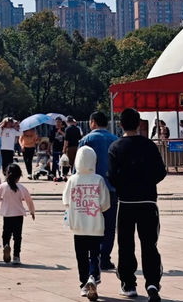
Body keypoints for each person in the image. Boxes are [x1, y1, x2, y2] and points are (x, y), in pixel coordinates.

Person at [108, 107, 166, 301]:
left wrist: (125, 185)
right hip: (148, 201)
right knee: (150, 244)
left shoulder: (115, 147)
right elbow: (161, 172)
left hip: (125, 202)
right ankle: (152, 283)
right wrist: (147, 183)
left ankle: (128, 283)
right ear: (139, 123)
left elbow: (112, 176)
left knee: (125, 244)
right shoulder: (149, 146)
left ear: (121, 124)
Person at [63, 145, 110, 300]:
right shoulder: (98, 180)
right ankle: (93, 277)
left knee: (80, 256)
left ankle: (84, 283)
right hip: (95, 226)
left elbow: (66, 201)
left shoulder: (73, 180)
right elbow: (105, 204)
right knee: (95, 254)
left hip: (78, 227)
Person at [79, 111, 118, 271]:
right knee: (109, 225)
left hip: (90, 189)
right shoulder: (115, 140)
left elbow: (79, 166)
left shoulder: (86, 140)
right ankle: (105, 257)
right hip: (111, 188)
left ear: (93, 122)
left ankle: (93, 256)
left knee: (92, 224)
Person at [0, 163, 35, 265]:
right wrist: (32, 211)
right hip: (19, 215)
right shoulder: (22, 187)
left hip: (7, 215)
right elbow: (29, 200)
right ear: (19, 176)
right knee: (17, 236)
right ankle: (16, 256)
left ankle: (6, 245)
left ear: (7, 174)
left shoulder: (3, 186)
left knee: (6, 234)